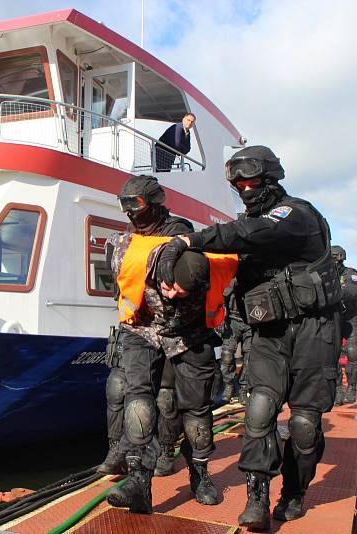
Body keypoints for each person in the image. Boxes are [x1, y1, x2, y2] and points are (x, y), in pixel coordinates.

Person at [156, 145, 342, 529]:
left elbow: (252, 233)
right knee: (259, 413)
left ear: (271, 177)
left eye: (250, 179)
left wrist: (189, 240)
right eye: (236, 182)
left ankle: (294, 492)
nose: (243, 187)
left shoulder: (295, 214)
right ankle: (257, 496)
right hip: (268, 333)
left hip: (313, 330)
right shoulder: (249, 226)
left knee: (305, 425)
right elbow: (223, 264)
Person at [104, 229, 237, 514]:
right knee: (137, 400)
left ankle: (200, 476)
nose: (175, 293)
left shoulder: (219, 269)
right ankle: (139, 481)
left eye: (183, 292)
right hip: (143, 328)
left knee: (197, 411)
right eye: (172, 286)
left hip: (192, 334)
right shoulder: (128, 255)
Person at [98, 176, 195, 479]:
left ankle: (166, 449)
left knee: (166, 395)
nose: (129, 212)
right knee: (126, 391)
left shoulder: (178, 232)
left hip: (171, 327)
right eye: (124, 205)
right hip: (137, 325)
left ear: (153, 203)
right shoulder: (128, 236)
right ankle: (126, 449)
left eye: (135, 204)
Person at [331, 245, 357, 405]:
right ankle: (337, 389)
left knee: (351, 351)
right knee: (332, 355)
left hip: (353, 319)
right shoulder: (326, 276)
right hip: (335, 319)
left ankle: (351, 388)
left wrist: (330, 294)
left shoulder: (351, 274)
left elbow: (351, 291)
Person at [219, 279, 251, 404]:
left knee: (250, 358)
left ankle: (244, 389)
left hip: (250, 322)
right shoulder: (231, 277)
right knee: (226, 356)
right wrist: (221, 319)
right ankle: (229, 386)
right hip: (232, 320)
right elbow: (221, 299)